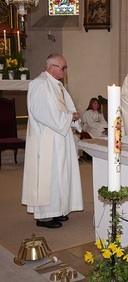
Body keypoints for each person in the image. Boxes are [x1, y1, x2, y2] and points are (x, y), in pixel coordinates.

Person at [22, 53, 83, 229]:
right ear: (50, 67)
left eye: (65, 67)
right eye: (62, 67)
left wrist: (74, 117)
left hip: (60, 137)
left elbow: (67, 108)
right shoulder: (40, 84)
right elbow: (41, 113)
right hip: (47, 139)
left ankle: (57, 210)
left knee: (60, 175)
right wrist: (68, 117)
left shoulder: (57, 85)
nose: (65, 70)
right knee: (48, 176)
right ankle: (44, 216)